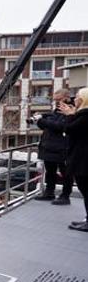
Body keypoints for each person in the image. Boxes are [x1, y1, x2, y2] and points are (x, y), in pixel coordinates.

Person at [34, 88, 74, 204]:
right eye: (55, 100)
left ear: (66, 97)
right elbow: (50, 126)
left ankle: (65, 195)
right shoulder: (56, 110)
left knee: (66, 173)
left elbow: (61, 126)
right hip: (50, 146)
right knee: (50, 171)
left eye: (58, 100)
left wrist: (42, 121)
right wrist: (39, 121)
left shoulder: (70, 110)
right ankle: (49, 192)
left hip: (62, 147)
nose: (56, 102)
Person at [59, 88, 88, 231]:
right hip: (81, 158)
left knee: (86, 190)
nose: (73, 99)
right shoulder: (82, 115)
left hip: (83, 159)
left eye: (76, 97)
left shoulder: (85, 116)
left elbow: (69, 129)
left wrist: (70, 115)